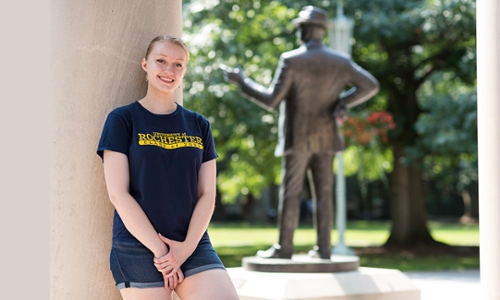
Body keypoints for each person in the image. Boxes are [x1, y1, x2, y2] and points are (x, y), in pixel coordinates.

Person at [221, 6, 379, 259]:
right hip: (327, 138)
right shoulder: (340, 62)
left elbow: (271, 100)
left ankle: (284, 248)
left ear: (305, 30)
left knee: (291, 193)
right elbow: (371, 85)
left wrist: (243, 82)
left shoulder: (291, 60)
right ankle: (324, 248)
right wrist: (343, 103)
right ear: (322, 31)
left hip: (298, 138)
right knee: (324, 195)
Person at [97, 34, 239, 300]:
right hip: (137, 244)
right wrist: (163, 254)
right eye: (161, 61)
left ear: (185, 70)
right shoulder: (123, 119)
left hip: (192, 244)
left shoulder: (199, 125)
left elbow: (207, 194)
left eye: (178, 64)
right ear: (145, 65)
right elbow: (118, 194)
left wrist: (183, 250)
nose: (169, 70)